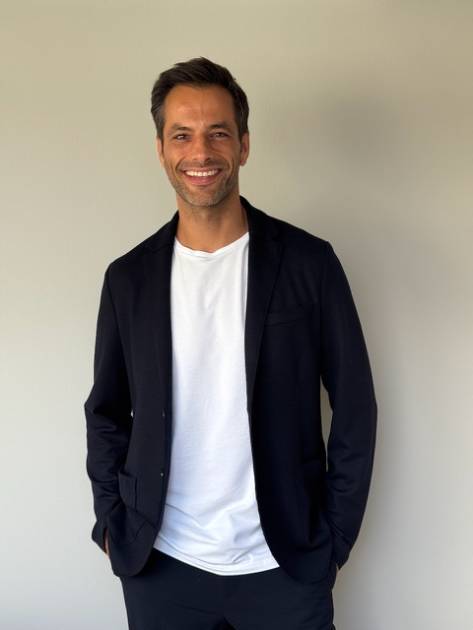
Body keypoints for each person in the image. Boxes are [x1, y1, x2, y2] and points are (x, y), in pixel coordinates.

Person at [84, 56, 377, 630]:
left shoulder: (309, 264)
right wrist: (111, 523)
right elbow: (106, 412)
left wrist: (334, 538)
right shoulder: (128, 279)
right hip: (162, 566)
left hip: (285, 565)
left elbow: (355, 407)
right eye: (182, 135)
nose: (201, 152)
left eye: (218, 133)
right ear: (161, 150)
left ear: (243, 145)